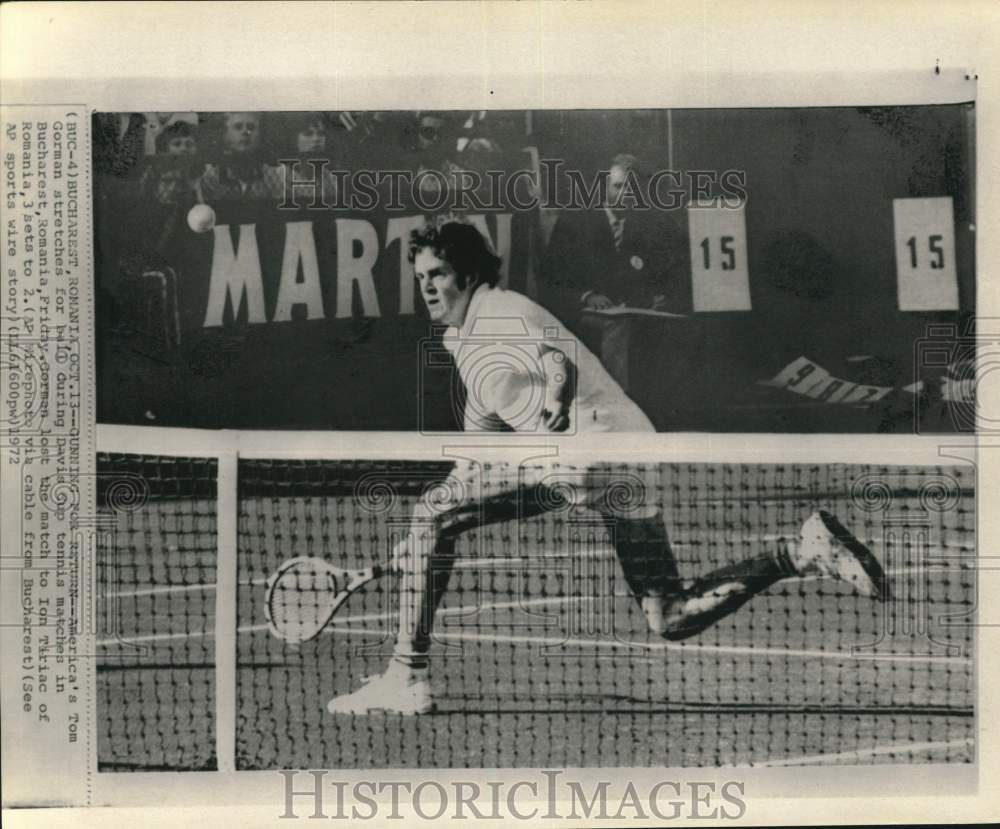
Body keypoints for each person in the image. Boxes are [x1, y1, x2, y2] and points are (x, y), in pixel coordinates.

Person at [326, 221, 887, 715]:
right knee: (670, 614)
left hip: (581, 448)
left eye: (438, 273)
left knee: (434, 514)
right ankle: (800, 551)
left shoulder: (501, 310)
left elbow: (551, 360)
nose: (426, 285)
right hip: (627, 455)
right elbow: (479, 448)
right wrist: (428, 535)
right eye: (421, 274)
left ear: (469, 275)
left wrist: (553, 395)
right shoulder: (463, 339)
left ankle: (406, 676)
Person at [541, 154, 689, 388]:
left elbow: (664, 273)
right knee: (618, 327)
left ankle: (665, 408)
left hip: (633, 309)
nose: (625, 194)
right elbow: (550, 281)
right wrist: (587, 295)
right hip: (583, 310)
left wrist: (659, 297)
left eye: (632, 188)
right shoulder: (575, 223)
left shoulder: (650, 225)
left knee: (675, 326)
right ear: (604, 187)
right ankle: (619, 401)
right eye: (618, 186)